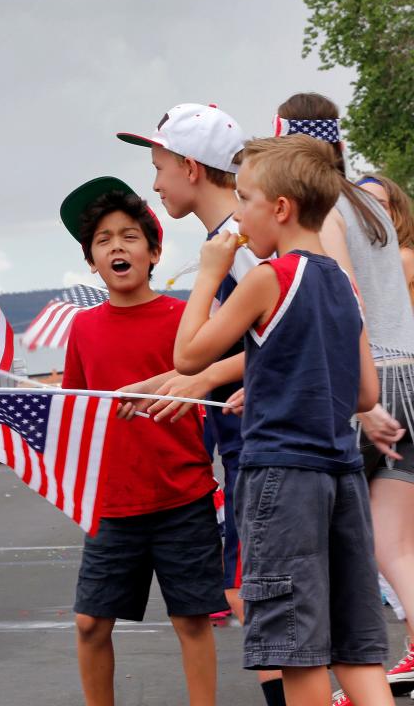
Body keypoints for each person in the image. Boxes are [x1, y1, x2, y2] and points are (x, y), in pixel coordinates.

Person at [174, 134, 391, 706]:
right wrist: (276, 379)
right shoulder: (342, 283)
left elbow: (188, 355)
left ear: (280, 208)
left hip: (282, 480)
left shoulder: (267, 278)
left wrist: (208, 271)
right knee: (356, 649)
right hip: (340, 475)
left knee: (296, 650)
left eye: (244, 198)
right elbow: (364, 392)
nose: (238, 213)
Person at [118, 103, 286, 704]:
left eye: (159, 166)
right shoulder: (233, 242)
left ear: (192, 167)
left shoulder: (238, 244)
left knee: (260, 600)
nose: (155, 182)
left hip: (266, 443)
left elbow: (286, 331)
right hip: (255, 440)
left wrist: (201, 375)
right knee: (262, 600)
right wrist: (162, 383)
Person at [59, 176, 226, 706]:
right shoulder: (83, 329)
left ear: (153, 252)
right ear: (91, 261)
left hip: (184, 497)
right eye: (103, 240)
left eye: (129, 236)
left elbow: (217, 383)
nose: (116, 247)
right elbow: (75, 411)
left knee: (191, 621)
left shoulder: (185, 317)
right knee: (90, 623)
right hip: (112, 505)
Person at [274, 93, 414, 702]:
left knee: (338, 544)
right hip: (411, 374)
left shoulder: (328, 209)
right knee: (395, 545)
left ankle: (338, 678)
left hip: (371, 382)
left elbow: (343, 298)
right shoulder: (368, 201)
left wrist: (360, 401)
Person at [356, 173, 414, 310]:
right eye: (362, 204)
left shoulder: (402, 258)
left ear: (396, 213)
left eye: (380, 205)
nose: (371, 211)